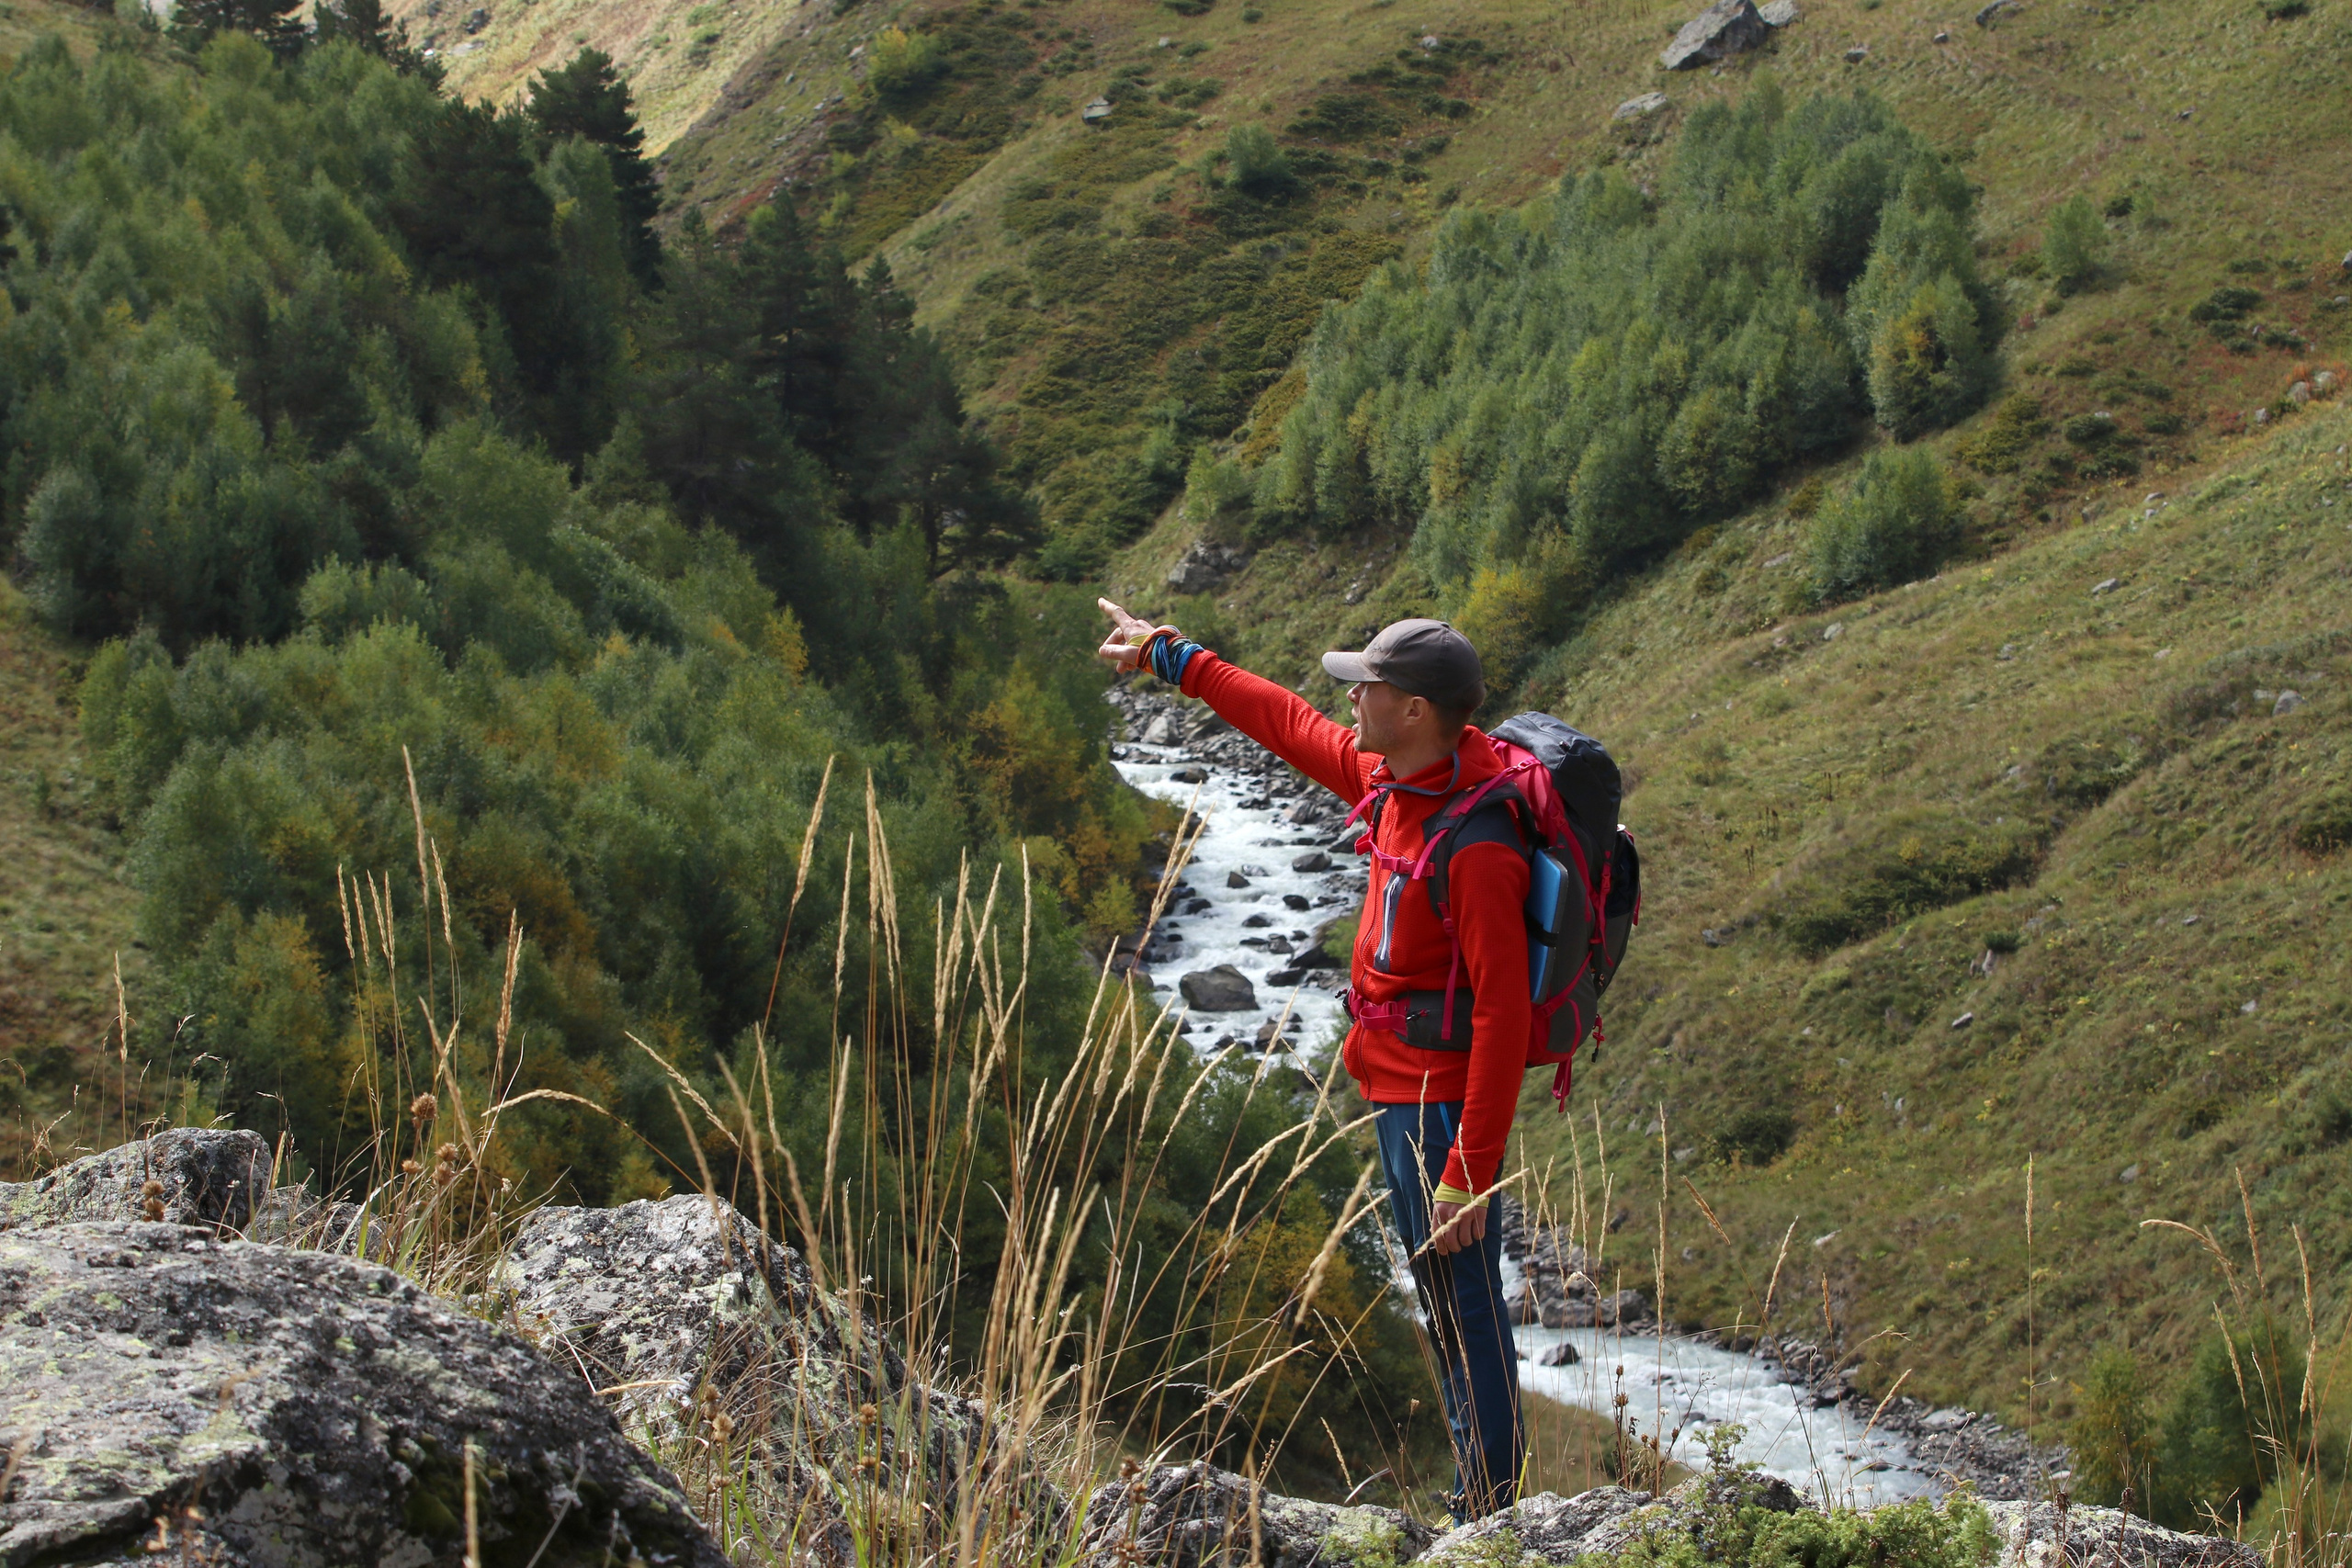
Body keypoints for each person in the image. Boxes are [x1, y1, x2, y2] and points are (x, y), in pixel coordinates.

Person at [1096, 599, 1527, 1520]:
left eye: (1367, 686)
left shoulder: (1479, 846)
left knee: (1463, 1302)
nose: (1351, 699)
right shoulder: (1392, 776)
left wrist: (1468, 1175)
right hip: (1395, 1087)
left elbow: (1503, 1017)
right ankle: (1480, 1495)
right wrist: (1172, 656)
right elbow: (1284, 720)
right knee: (1444, 1298)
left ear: (1413, 710)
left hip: (1438, 1106)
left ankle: (1488, 1508)